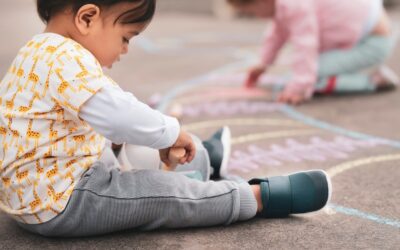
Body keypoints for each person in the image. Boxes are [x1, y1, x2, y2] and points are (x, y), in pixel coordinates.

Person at [0, 0, 331, 237]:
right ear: (87, 18)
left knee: (117, 147)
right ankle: (257, 198)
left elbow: (88, 122)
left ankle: (202, 159)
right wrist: (171, 133)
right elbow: (119, 114)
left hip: (37, 188)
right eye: (126, 37)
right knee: (161, 194)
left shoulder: (36, 52)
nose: (125, 49)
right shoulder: (67, 58)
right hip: (64, 200)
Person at [227, 0, 399, 105]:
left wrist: (299, 88)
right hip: (365, 38)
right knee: (303, 71)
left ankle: (373, 80)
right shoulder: (283, 4)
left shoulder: (294, 4)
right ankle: (360, 70)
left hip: (372, 45)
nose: (255, 16)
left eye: (251, 11)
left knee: (311, 76)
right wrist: (263, 63)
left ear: (263, 1)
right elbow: (277, 33)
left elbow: (305, 44)